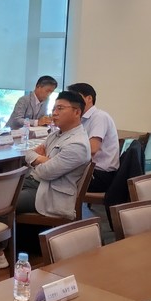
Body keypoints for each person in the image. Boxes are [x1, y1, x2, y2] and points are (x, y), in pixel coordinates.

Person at [15, 91, 92, 219]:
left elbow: (46, 172)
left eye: (60, 108)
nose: (54, 113)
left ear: (77, 112)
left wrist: (37, 160)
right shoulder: (55, 134)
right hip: (32, 181)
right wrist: (43, 159)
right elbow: (27, 153)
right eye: (53, 109)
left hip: (48, 192)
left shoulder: (78, 144)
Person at [67, 83, 119, 193]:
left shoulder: (99, 117)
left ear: (89, 98)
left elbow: (92, 149)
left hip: (99, 175)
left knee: (54, 179)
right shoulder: (82, 118)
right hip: (89, 171)